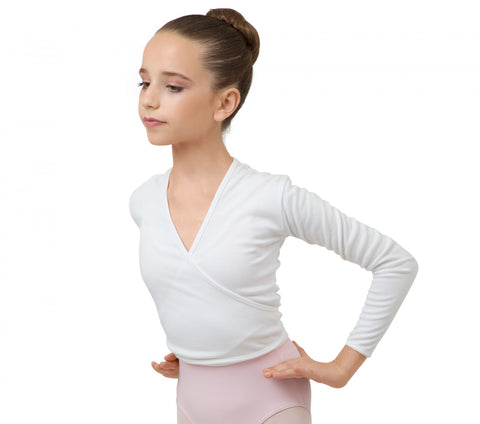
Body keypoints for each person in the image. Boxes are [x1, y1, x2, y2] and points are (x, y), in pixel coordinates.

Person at [129, 8, 419, 424]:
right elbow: (189, 290)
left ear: (225, 102)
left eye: (173, 86)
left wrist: (343, 367)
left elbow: (394, 263)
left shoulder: (270, 197)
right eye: (144, 82)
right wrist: (199, 348)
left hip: (270, 398)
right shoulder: (144, 202)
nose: (149, 99)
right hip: (191, 397)